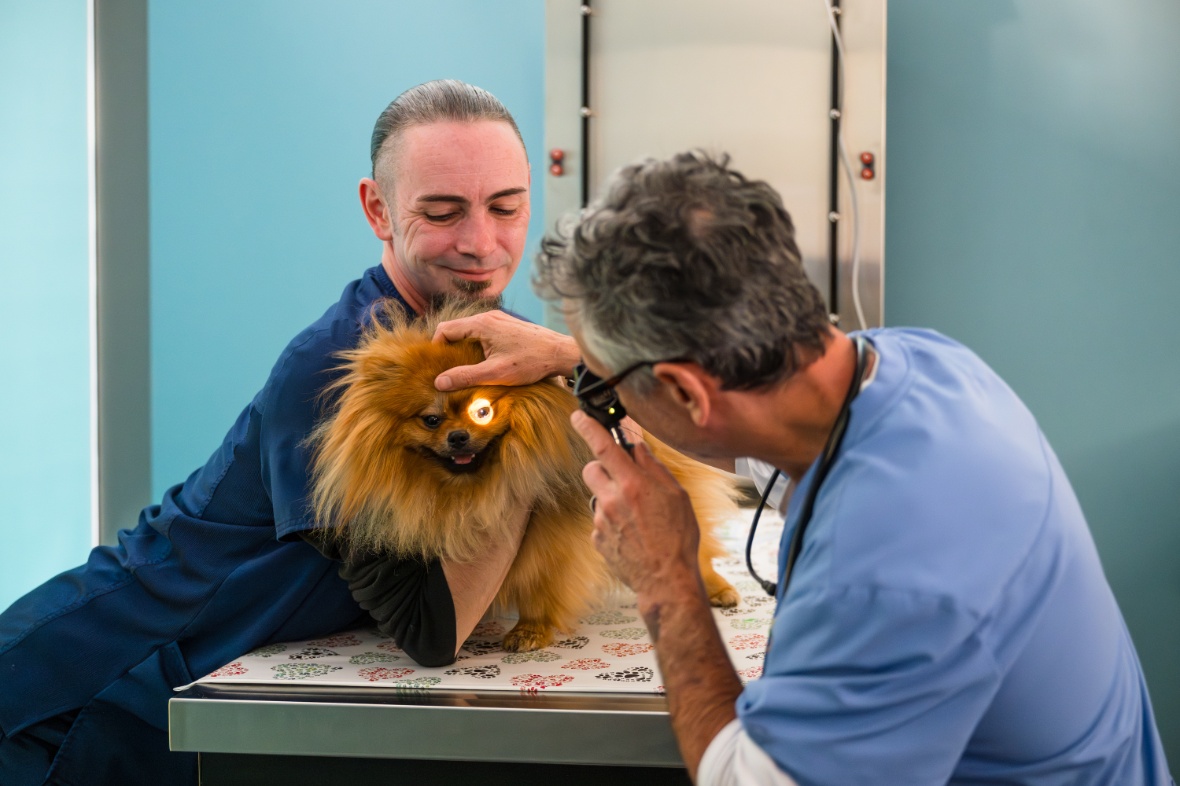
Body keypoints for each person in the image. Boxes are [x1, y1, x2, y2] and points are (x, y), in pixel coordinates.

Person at [438, 151, 1175, 785]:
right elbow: (759, 440)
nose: (594, 396)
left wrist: (667, 580)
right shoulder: (928, 363)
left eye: (602, 385)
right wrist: (581, 356)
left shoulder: (887, 571)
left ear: (687, 391)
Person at [0, 79, 545, 786]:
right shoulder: (338, 371)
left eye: (506, 207)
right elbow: (434, 627)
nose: (481, 243)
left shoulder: (476, 327)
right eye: (442, 212)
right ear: (377, 209)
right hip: (90, 688)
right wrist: (536, 414)